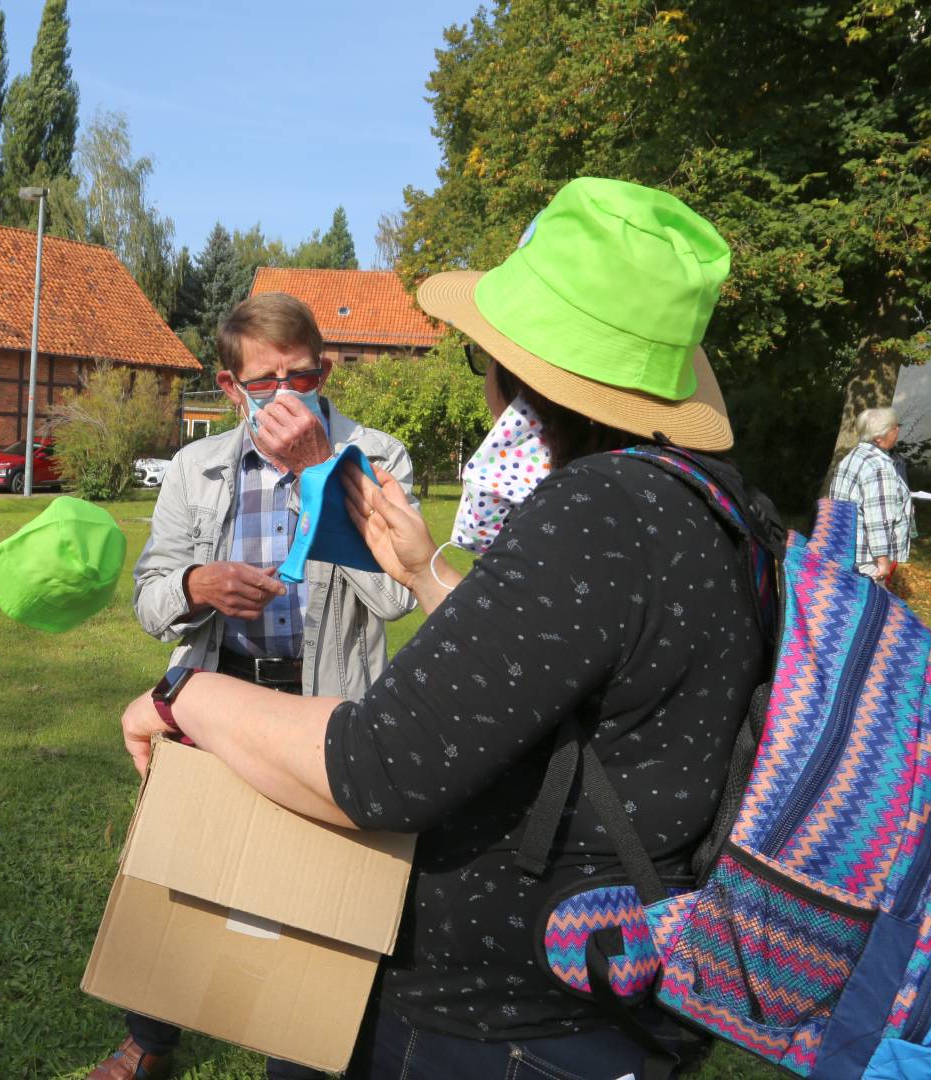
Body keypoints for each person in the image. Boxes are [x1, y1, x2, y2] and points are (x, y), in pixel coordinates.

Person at [117, 178, 767, 1078]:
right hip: (606, 991)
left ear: (531, 377)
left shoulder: (593, 514)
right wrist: (426, 571)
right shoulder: (710, 507)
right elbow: (547, 674)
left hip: (503, 1024)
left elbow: (381, 767)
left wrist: (185, 693)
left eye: (485, 362)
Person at [88, 292, 418, 1080]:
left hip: (326, 699)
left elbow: (400, 595)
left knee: (317, 880)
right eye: (263, 382)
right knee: (185, 859)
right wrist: (198, 584)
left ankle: (301, 1047)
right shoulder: (196, 467)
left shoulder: (378, 456)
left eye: (300, 377)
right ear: (231, 387)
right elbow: (150, 600)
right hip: (219, 687)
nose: (284, 395)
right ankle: (149, 1038)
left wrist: (318, 473)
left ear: (325, 369)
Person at [827, 406, 912, 585]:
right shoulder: (880, 466)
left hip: (843, 547)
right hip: (867, 557)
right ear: (879, 436)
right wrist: (882, 561)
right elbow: (878, 519)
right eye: (894, 427)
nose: (898, 431)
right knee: (871, 608)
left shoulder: (853, 456)